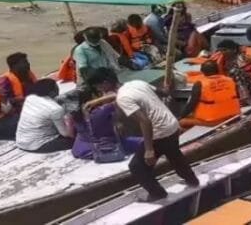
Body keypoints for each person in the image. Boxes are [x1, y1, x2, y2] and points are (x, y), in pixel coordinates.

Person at [85, 69, 199, 202]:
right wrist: (167, 88)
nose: (98, 90)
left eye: (98, 87)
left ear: (105, 83)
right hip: (172, 125)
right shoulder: (137, 83)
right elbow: (164, 92)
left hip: (159, 131)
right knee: (174, 155)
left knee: (137, 167)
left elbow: (145, 121)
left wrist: (149, 150)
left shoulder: (123, 98)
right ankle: (192, 180)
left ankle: (158, 194)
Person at [70, 84, 143, 160]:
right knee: (144, 142)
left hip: (82, 149)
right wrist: (98, 100)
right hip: (108, 147)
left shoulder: (75, 115)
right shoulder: (102, 111)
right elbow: (122, 96)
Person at [15, 78, 75, 153]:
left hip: (21, 142)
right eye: (56, 88)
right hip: (38, 145)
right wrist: (70, 117)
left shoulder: (30, 98)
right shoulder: (55, 109)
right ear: (52, 92)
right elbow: (67, 134)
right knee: (78, 139)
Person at [179, 61, 243, 129]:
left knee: (182, 122)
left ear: (202, 72)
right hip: (233, 115)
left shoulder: (199, 84)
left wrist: (181, 116)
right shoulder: (230, 80)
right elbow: (237, 96)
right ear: (218, 70)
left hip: (213, 121)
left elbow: (192, 104)